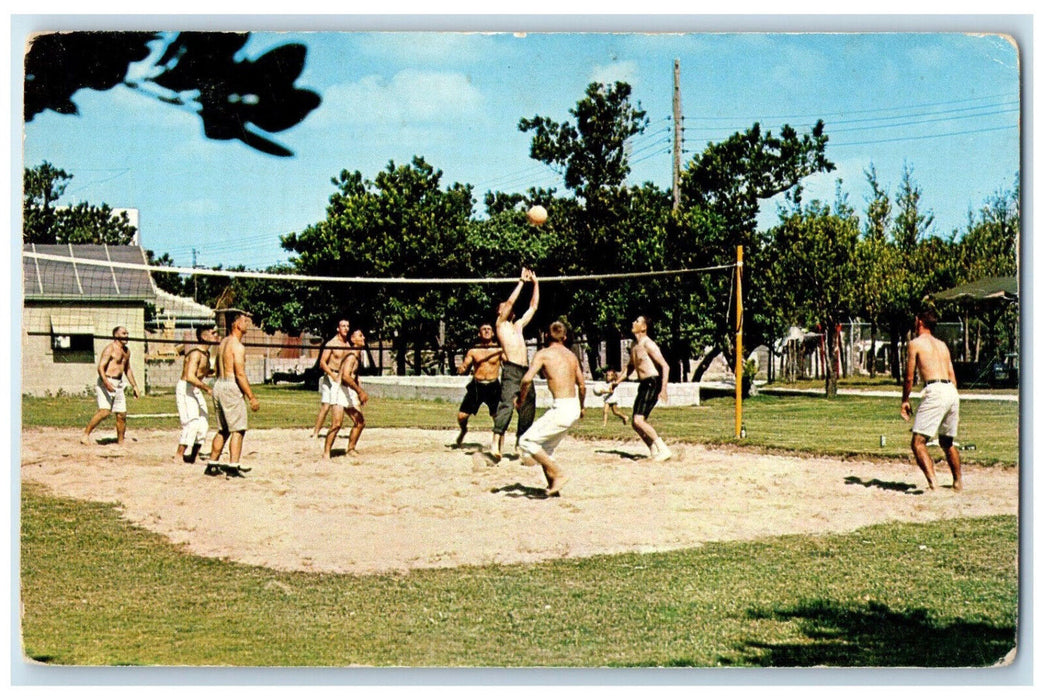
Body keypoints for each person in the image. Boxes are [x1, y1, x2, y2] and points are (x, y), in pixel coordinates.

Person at [516, 321, 586, 497]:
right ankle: (553, 487)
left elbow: (526, 380)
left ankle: (559, 474)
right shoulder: (572, 356)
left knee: (526, 442)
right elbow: (582, 385)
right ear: (564, 337)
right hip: (573, 406)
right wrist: (582, 407)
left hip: (562, 407)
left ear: (546, 336)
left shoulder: (543, 354)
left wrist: (520, 399)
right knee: (546, 449)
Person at [901, 309, 962, 491]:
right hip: (951, 390)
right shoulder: (942, 345)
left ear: (919, 321)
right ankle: (957, 482)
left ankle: (933, 483)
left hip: (935, 389)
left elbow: (909, 377)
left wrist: (905, 400)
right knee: (947, 442)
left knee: (918, 442)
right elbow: (952, 375)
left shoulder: (915, 344)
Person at [491, 267, 539, 459]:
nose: (508, 307)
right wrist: (521, 282)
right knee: (507, 406)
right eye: (503, 307)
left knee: (529, 404)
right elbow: (511, 302)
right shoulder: (500, 325)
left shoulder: (517, 326)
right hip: (511, 369)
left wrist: (535, 283)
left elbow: (533, 307)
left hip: (525, 370)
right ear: (499, 312)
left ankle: (521, 442)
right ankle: (495, 443)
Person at [610, 315, 672, 461]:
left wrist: (663, 389)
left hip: (652, 382)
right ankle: (653, 450)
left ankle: (663, 449)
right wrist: (616, 382)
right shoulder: (634, 345)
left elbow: (665, 366)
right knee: (635, 423)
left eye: (637, 321)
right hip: (644, 384)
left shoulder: (648, 344)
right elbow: (630, 368)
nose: (633, 322)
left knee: (639, 420)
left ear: (644, 327)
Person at [207, 312, 260, 476]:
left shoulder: (223, 343)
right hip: (230, 385)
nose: (248, 324)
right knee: (238, 429)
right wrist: (251, 397)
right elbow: (240, 374)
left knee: (223, 429)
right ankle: (233, 467)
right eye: (244, 321)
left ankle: (212, 464)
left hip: (219, 384)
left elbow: (216, 367)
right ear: (236, 324)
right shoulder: (237, 346)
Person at [81, 326, 141, 445]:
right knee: (105, 412)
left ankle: (121, 441)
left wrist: (135, 386)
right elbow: (100, 367)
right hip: (106, 381)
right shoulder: (110, 349)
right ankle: (85, 435)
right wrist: (106, 382)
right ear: (116, 335)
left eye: (127, 333)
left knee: (121, 414)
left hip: (118, 383)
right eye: (124, 333)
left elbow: (127, 370)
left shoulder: (127, 351)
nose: (126, 335)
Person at [453, 323, 504, 448]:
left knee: (498, 417)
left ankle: (498, 447)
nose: (486, 331)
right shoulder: (473, 351)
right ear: (479, 333)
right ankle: (464, 430)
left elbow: (507, 365)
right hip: (477, 386)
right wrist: (462, 368)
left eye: (489, 329)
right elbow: (465, 364)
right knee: (461, 416)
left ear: (493, 333)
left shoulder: (499, 350)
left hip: (493, 387)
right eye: (483, 329)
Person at [174, 325, 217, 463]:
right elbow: (190, 376)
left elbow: (204, 372)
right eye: (213, 333)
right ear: (204, 337)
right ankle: (179, 455)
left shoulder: (207, 354)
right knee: (191, 422)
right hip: (186, 387)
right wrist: (207, 388)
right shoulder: (195, 353)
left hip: (196, 388)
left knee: (203, 422)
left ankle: (194, 455)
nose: (216, 335)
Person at [325, 328, 369, 459]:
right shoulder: (351, 356)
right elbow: (345, 376)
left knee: (360, 422)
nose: (364, 338)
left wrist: (358, 392)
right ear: (353, 340)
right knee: (337, 424)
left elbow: (354, 376)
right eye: (360, 336)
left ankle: (350, 449)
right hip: (339, 389)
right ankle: (326, 452)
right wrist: (360, 391)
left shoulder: (358, 354)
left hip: (348, 390)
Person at [311, 319, 353, 438]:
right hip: (331, 376)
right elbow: (322, 363)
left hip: (342, 377)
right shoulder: (331, 343)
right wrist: (332, 375)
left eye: (347, 326)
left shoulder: (347, 344)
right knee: (326, 406)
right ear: (338, 328)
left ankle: (352, 426)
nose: (346, 328)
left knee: (346, 403)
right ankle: (315, 433)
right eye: (343, 326)